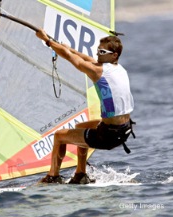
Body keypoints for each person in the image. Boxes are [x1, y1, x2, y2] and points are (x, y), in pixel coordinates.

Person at [36, 29, 135, 184]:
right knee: (81, 126)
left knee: (59, 136)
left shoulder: (98, 71)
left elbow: (71, 58)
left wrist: (48, 42)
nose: (97, 54)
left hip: (108, 135)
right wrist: (67, 47)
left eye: (102, 51)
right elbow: (85, 57)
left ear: (114, 55)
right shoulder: (118, 68)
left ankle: (52, 177)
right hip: (125, 129)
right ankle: (80, 174)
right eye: (97, 50)